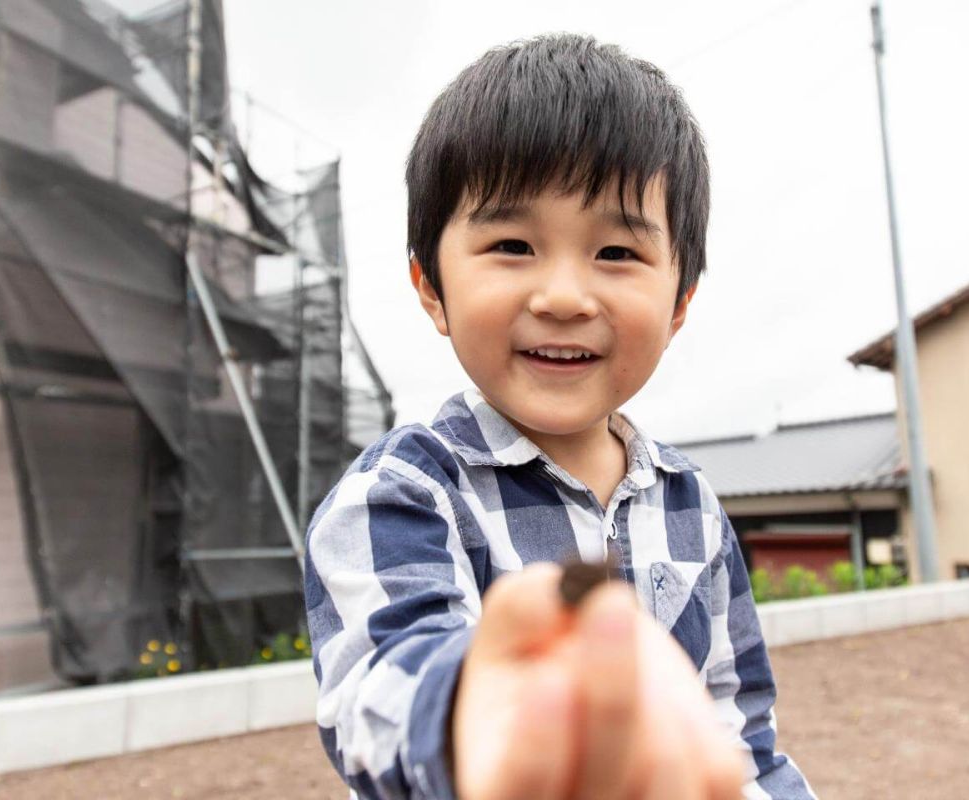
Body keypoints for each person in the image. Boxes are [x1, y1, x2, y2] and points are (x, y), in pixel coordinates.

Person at [304, 32, 817, 800]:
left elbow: (740, 738)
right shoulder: (401, 492)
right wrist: (483, 714)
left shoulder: (691, 503)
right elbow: (379, 700)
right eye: (513, 244)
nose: (566, 296)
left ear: (679, 303)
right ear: (430, 286)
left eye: (617, 252)